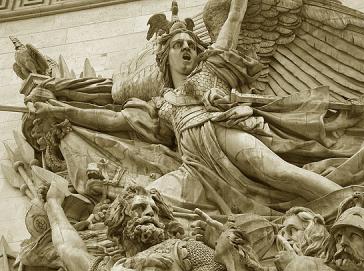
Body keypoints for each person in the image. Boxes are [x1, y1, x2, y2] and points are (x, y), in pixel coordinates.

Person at [32, 0, 343, 216]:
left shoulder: (212, 70)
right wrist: (64, 112)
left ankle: (352, 203)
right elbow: (114, 120)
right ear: (166, 55)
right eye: (179, 44)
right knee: (147, 197)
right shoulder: (160, 103)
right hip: (194, 166)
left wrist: (237, 6)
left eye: (192, 46)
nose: (186, 48)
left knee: (277, 171)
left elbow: (234, 19)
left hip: (222, 135)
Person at [44, 181, 225, 271]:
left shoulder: (182, 249)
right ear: (120, 218)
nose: (149, 213)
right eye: (140, 207)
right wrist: (52, 202)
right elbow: (67, 247)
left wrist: (221, 245)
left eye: (154, 210)